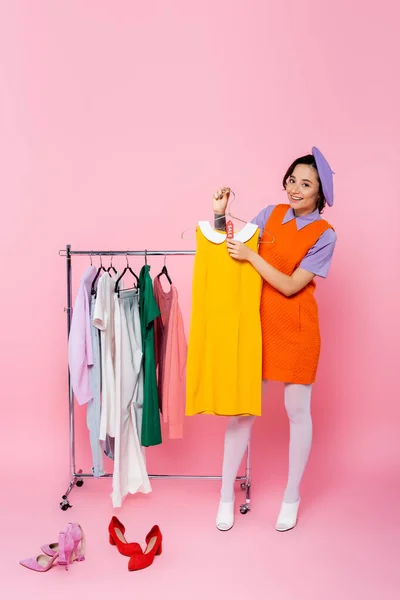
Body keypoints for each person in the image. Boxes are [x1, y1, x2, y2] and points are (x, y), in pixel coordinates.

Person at [212, 147, 337, 532]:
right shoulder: (269, 214)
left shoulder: (324, 234)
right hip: (258, 327)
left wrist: (252, 256)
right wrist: (220, 213)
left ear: (320, 195)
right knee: (242, 412)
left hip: (298, 331)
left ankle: (291, 496)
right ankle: (225, 496)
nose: (295, 189)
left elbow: (287, 285)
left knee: (297, 412)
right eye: (292, 180)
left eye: (306, 184)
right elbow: (230, 250)